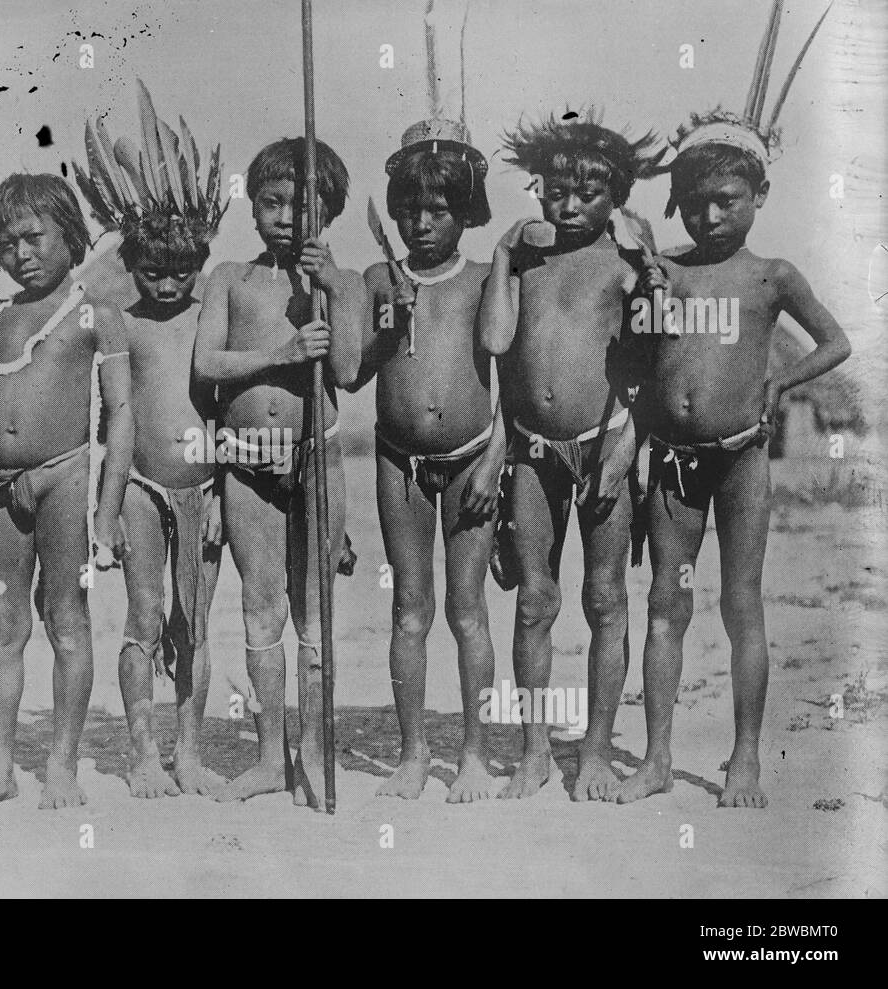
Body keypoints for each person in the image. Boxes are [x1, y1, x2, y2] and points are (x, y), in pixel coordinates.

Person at [612, 2, 848, 808]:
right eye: (699, 202)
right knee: (665, 605)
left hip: (742, 461)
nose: (713, 215)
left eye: (728, 200)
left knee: (741, 604)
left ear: (758, 195)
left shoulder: (770, 275)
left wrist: (784, 383)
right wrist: (644, 274)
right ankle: (654, 760)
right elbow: (639, 348)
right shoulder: (669, 270)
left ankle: (744, 758)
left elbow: (836, 342)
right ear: (680, 205)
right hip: (673, 470)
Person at [479, 109, 663, 800]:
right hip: (532, 450)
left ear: (616, 194)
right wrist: (501, 255)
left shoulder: (622, 268)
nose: (570, 204)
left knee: (607, 598)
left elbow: (656, 367)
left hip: (605, 441)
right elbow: (497, 343)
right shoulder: (525, 261)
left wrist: (625, 451)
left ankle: (593, 750)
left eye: (588, 193)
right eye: (556, 191)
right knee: (534, 600)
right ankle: (533, 751)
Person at [0, 173, 133, 811]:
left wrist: (105, 516)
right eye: (5, 243)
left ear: (70, 237)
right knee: (3, 629)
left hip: (65, 483)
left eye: (34, 238)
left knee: (68, 623)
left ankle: (62, 765)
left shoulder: (93, 314)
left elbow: (122, 420)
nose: (20, 254)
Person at [193, 137, 366, 809]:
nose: (288, 219)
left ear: (330, 213)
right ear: (252, 208)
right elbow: (207, 364)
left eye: (305, 207)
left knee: (314, 610)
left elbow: (347, 370)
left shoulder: (335, 282)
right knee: (260, 603)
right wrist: (282, 351)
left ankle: (314, 754)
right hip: (246, 461)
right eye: (272, 203)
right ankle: (269, 757)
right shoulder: (231, 278)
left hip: (315, 457)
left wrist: (330, 290)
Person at [73, 84, 229, 797]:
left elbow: (225, 406)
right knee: (142, 615)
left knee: (193, 622)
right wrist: (104, 514)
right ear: (130, 259)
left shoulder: (211, 314)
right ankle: (142, 751)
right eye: (152, 267)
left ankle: (189, 750)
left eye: (182, 268)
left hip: (205, 484)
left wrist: (228, 486)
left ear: (202, 258)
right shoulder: (118, 318)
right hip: (138, 483)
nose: (168, 281)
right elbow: (118, 417)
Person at [354, 116, 504, 802]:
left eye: (439, 209)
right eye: (411, 209)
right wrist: (385, 316)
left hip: (473, 457)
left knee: (466, 607)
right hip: (397, 461)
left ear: (466, 211)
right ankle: (413, 754)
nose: (422, 223)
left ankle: (472, 755)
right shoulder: (379, 278)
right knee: (409, 608)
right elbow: (353, 372)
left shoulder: (481, 280)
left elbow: (518, 381)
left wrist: (498, 455)